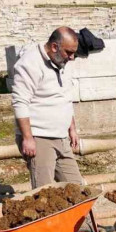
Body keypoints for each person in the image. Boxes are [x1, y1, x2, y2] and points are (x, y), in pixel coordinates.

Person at [12, 27, 82, 188]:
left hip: (61, 136)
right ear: (54, 47)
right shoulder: (29, 63)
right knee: (45, 192)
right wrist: (28, 138)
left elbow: (64, 97)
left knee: (77, 189)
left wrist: (72, 128)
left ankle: (76, 214)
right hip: (39, 137)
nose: (72, 58)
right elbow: (20, 102)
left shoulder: (62, 61)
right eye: (69, 52)